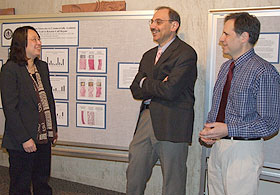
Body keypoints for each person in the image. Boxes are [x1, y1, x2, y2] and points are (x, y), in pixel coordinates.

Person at [199, 12, 280, 195]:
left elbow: (270, 124)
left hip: (243, 151)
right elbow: (220, 107)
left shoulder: (264, 71)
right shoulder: (226, 67)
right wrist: (211, 133)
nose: (221, 39)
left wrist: (228, 130)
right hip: (219, 148)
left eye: (226, 34)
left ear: (244, 37)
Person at [126, 6, 197, 195]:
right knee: (134, 174)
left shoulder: (186, 53)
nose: (153, 26)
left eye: (158, 21)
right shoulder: (148, 55)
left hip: (172, 122)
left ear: (174, 25)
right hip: (146, 120)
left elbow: (171, 90)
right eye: (152, 21)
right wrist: (157, 84)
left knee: (173, 182)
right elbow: (135, 89)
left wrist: (146, 83)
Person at [0, 26, 58, 195]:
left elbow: (48, 100)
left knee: (42, 182)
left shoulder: (42, 67)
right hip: (21, 141)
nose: (39, 43)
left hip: (43, 137)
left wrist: (53, 128)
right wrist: (25, 138)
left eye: (39, 39)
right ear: (21, 43)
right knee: (21, 185)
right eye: (34, 39)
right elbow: (10, 108)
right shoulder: (10, 70)